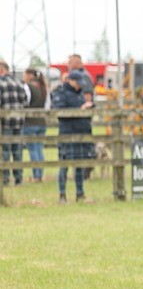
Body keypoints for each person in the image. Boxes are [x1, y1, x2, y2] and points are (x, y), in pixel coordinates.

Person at [50, 70, 94, 203]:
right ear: (71, 81)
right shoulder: (61, 94)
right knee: (64, 165)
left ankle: (80, 193)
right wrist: (80, 110)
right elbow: (59, 112)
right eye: (78, 83)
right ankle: (62, 195)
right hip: (67, 133)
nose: (80, 86)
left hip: (81, 134)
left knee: (79, 165)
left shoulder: (79, 94)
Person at [22, 68, 49, 182]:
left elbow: (25, 102)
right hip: (42, 121)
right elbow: (47, 106)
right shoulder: (44, 88)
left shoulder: (27, 87)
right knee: (39, 148)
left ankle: (36, 175)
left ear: (29, 75)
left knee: (32, 149)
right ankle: (40, 174)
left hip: (30, 122)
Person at [0, 61, 24, 186]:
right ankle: (19, 179)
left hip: (5, 122)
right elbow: (24, 99)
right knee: (17, 151)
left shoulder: (0, 83)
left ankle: (5, 179)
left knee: (5, 151)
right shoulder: (18, 82)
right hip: (19, 121)